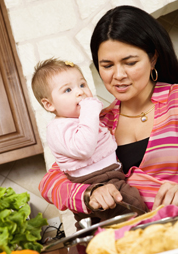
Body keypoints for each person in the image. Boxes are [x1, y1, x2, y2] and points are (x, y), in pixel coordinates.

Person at [38, 6, 178, 228]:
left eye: (130, 63)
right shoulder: (99, 122)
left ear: (153, 59)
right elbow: (50, 184)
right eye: (107, 65)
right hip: (124, 248)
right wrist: (90, 193)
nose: (119, 75)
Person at [31, 58, 147, 230]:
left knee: (105, 225)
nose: (80, 92)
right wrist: (90, 112)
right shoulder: (58, 128)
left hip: (110, 176)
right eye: (68, 90)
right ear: (49, 104)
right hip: (94, 181)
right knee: (133, 203)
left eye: (82, 85)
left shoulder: (86, 120)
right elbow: (83, 149)